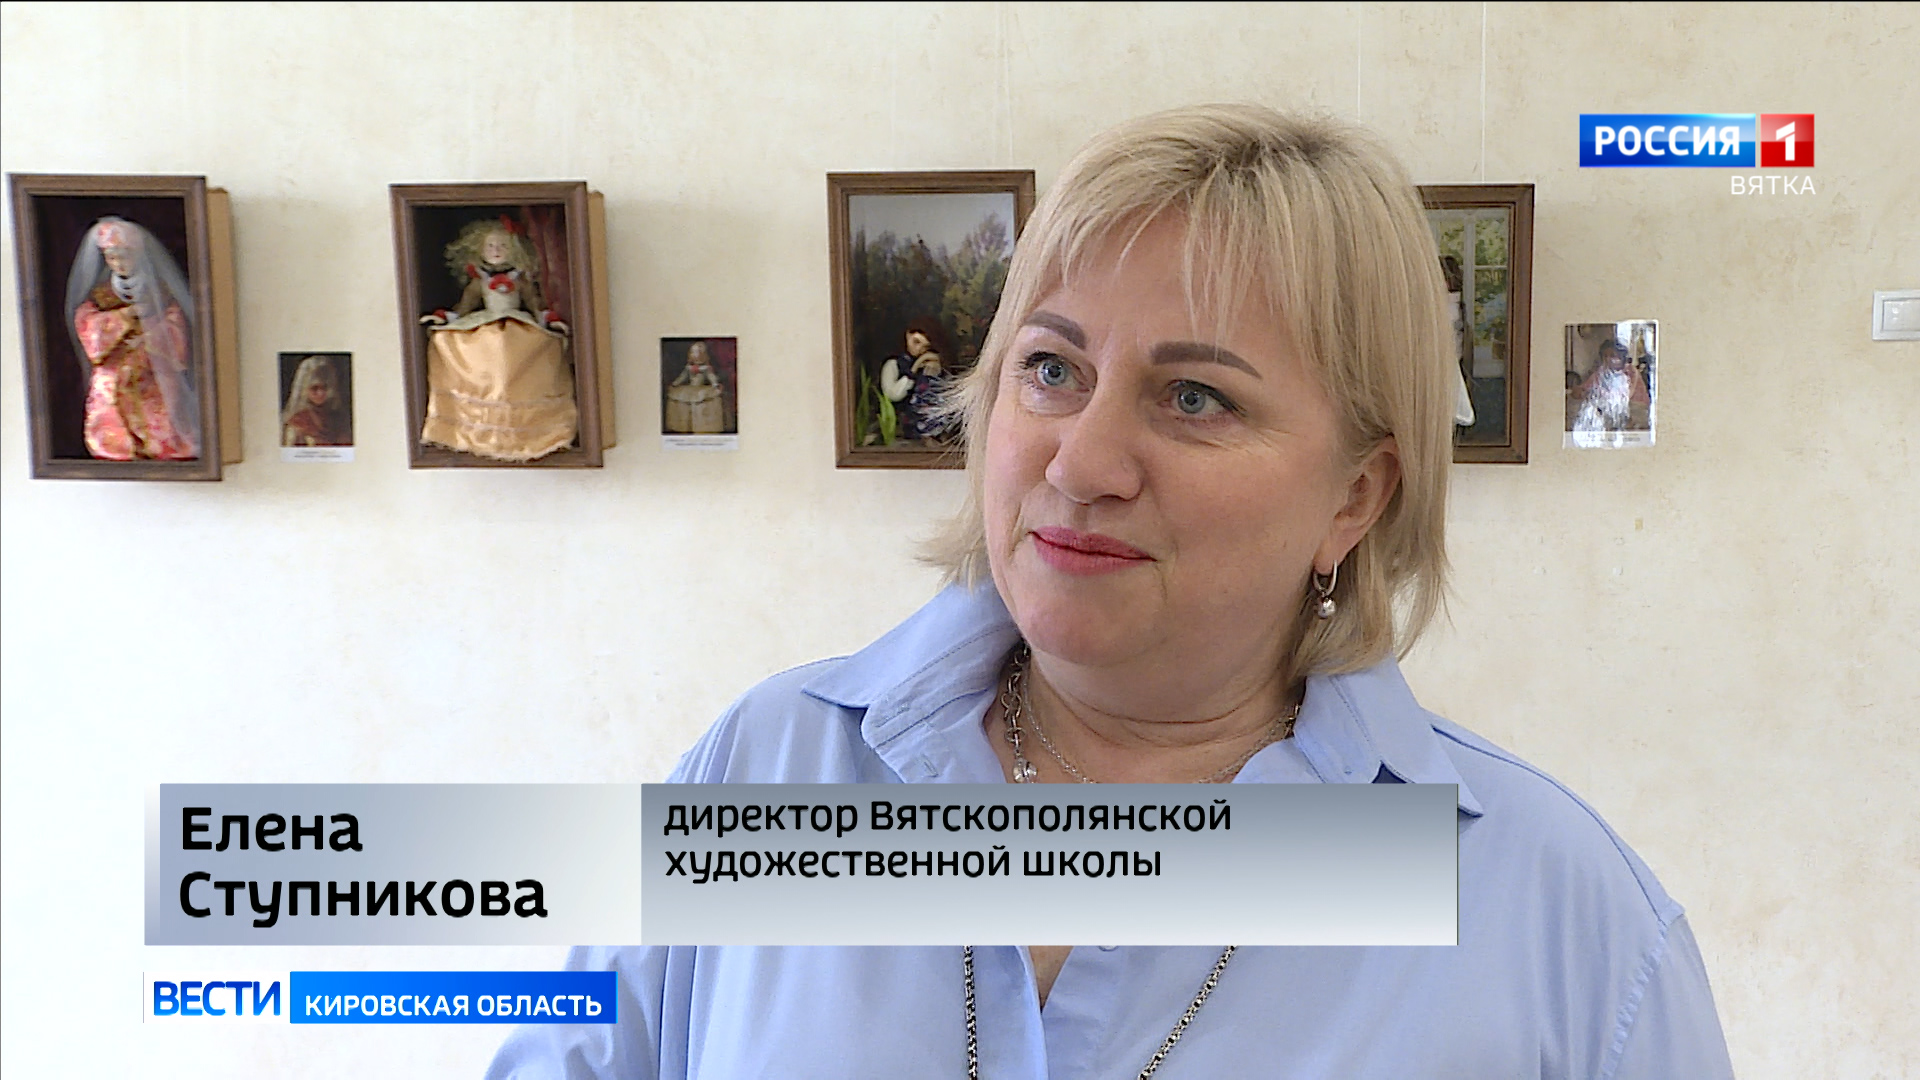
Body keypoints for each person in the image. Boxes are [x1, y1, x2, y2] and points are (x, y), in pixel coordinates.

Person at [489, 105, 1732, 1078]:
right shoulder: (762, 770)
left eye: (1196, 398)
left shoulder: (1563, 922)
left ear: (1355, 497)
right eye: (1050, 369)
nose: (1081, 464)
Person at [419, 216, 577, 461]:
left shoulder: (520, 280)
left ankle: (535, 424)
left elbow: (535, 304)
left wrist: (549, 320)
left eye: (503, 246)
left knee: (526, 348)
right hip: (485, 321)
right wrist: (444, 318)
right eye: (490, 246)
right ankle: (469, 420)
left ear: (515, 250)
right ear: (478, 250)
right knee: (462, 344)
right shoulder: (479, 281)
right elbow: (464, 307)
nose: (496, 251)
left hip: (517, 322)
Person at [65, 216, 200, 461]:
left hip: (152, 369)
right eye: (111, 257)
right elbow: (86, 321)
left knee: (161, 407)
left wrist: (149, 339)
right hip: (113, 370)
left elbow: (175, 323)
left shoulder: (159, 290)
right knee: (110, 402)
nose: (118, 263)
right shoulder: (101, 294)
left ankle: (163, 446)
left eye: (124, 256)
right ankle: (117, 448)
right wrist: (124, 316)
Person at [879, 316, 960, 444]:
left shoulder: (930, 363)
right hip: (905, 423)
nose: (918, 349)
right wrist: (914, 370)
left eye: (925, 347)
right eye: (916, 342)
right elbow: (894, 394)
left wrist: (937, 369)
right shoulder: (894, 364)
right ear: (907, 336)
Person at [281, 354, 351, 447]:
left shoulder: (338, 419)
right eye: (314, 388)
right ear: (304, 389)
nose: (320, 393)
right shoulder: (297, 423)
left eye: (325, 387)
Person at [664, 341, 728, 434]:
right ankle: (685, 425)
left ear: (703, 354)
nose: (695, 354)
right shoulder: (688, 367)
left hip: (701, 388)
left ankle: (701, 426)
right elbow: (682, 377)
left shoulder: (706, 368)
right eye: (693, 352)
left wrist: (715, 385)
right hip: (690, 388)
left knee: (702, 399)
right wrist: (674, 384)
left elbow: (711, 377)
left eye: (697, 352)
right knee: (681, 398)